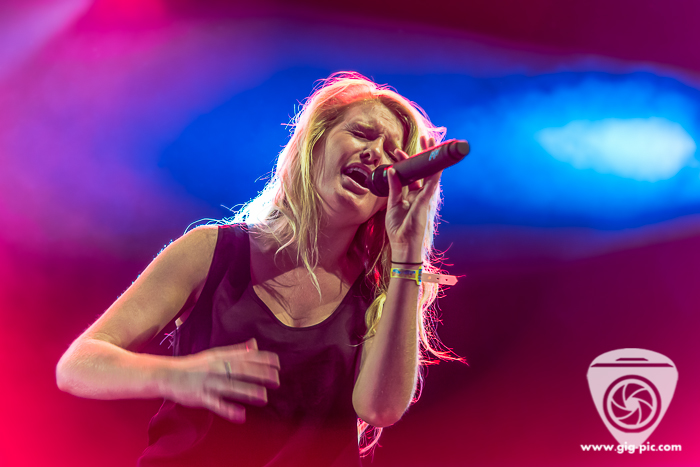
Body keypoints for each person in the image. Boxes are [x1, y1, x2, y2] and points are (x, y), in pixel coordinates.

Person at [56, 72, 458, 466]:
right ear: (314, 145)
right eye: (362, 134)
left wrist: (409, 252)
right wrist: (176, 376)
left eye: (392, 153)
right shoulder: (211, 252)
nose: (376, 154)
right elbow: (78, 365)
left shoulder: (382, 293)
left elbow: (379, 410)